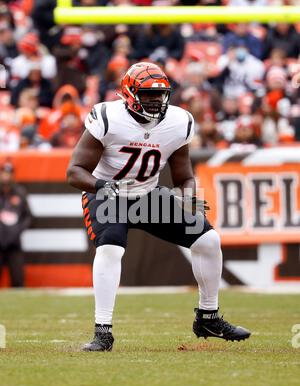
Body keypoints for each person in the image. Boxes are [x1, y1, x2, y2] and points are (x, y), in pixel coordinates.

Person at [67, 62, 251, 351]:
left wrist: (187, 195)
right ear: (128, 93)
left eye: (160, 94)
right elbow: (75, 171)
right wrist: (103, 187)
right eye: (147, 94)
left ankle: (208, 317)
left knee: (208, 240)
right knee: (111, 248)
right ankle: (103, 331)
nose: (155, 101)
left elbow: (184, 175)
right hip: (108, 194)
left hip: (147, 195)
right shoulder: (107, 117)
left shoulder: (179, 122)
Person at [0, 161, 32, 287]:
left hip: (14, 244)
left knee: (18, 280)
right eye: (4, 172)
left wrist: (17, 230)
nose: (6, 176)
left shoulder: (20, 192)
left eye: (9, 173)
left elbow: (29, 216)